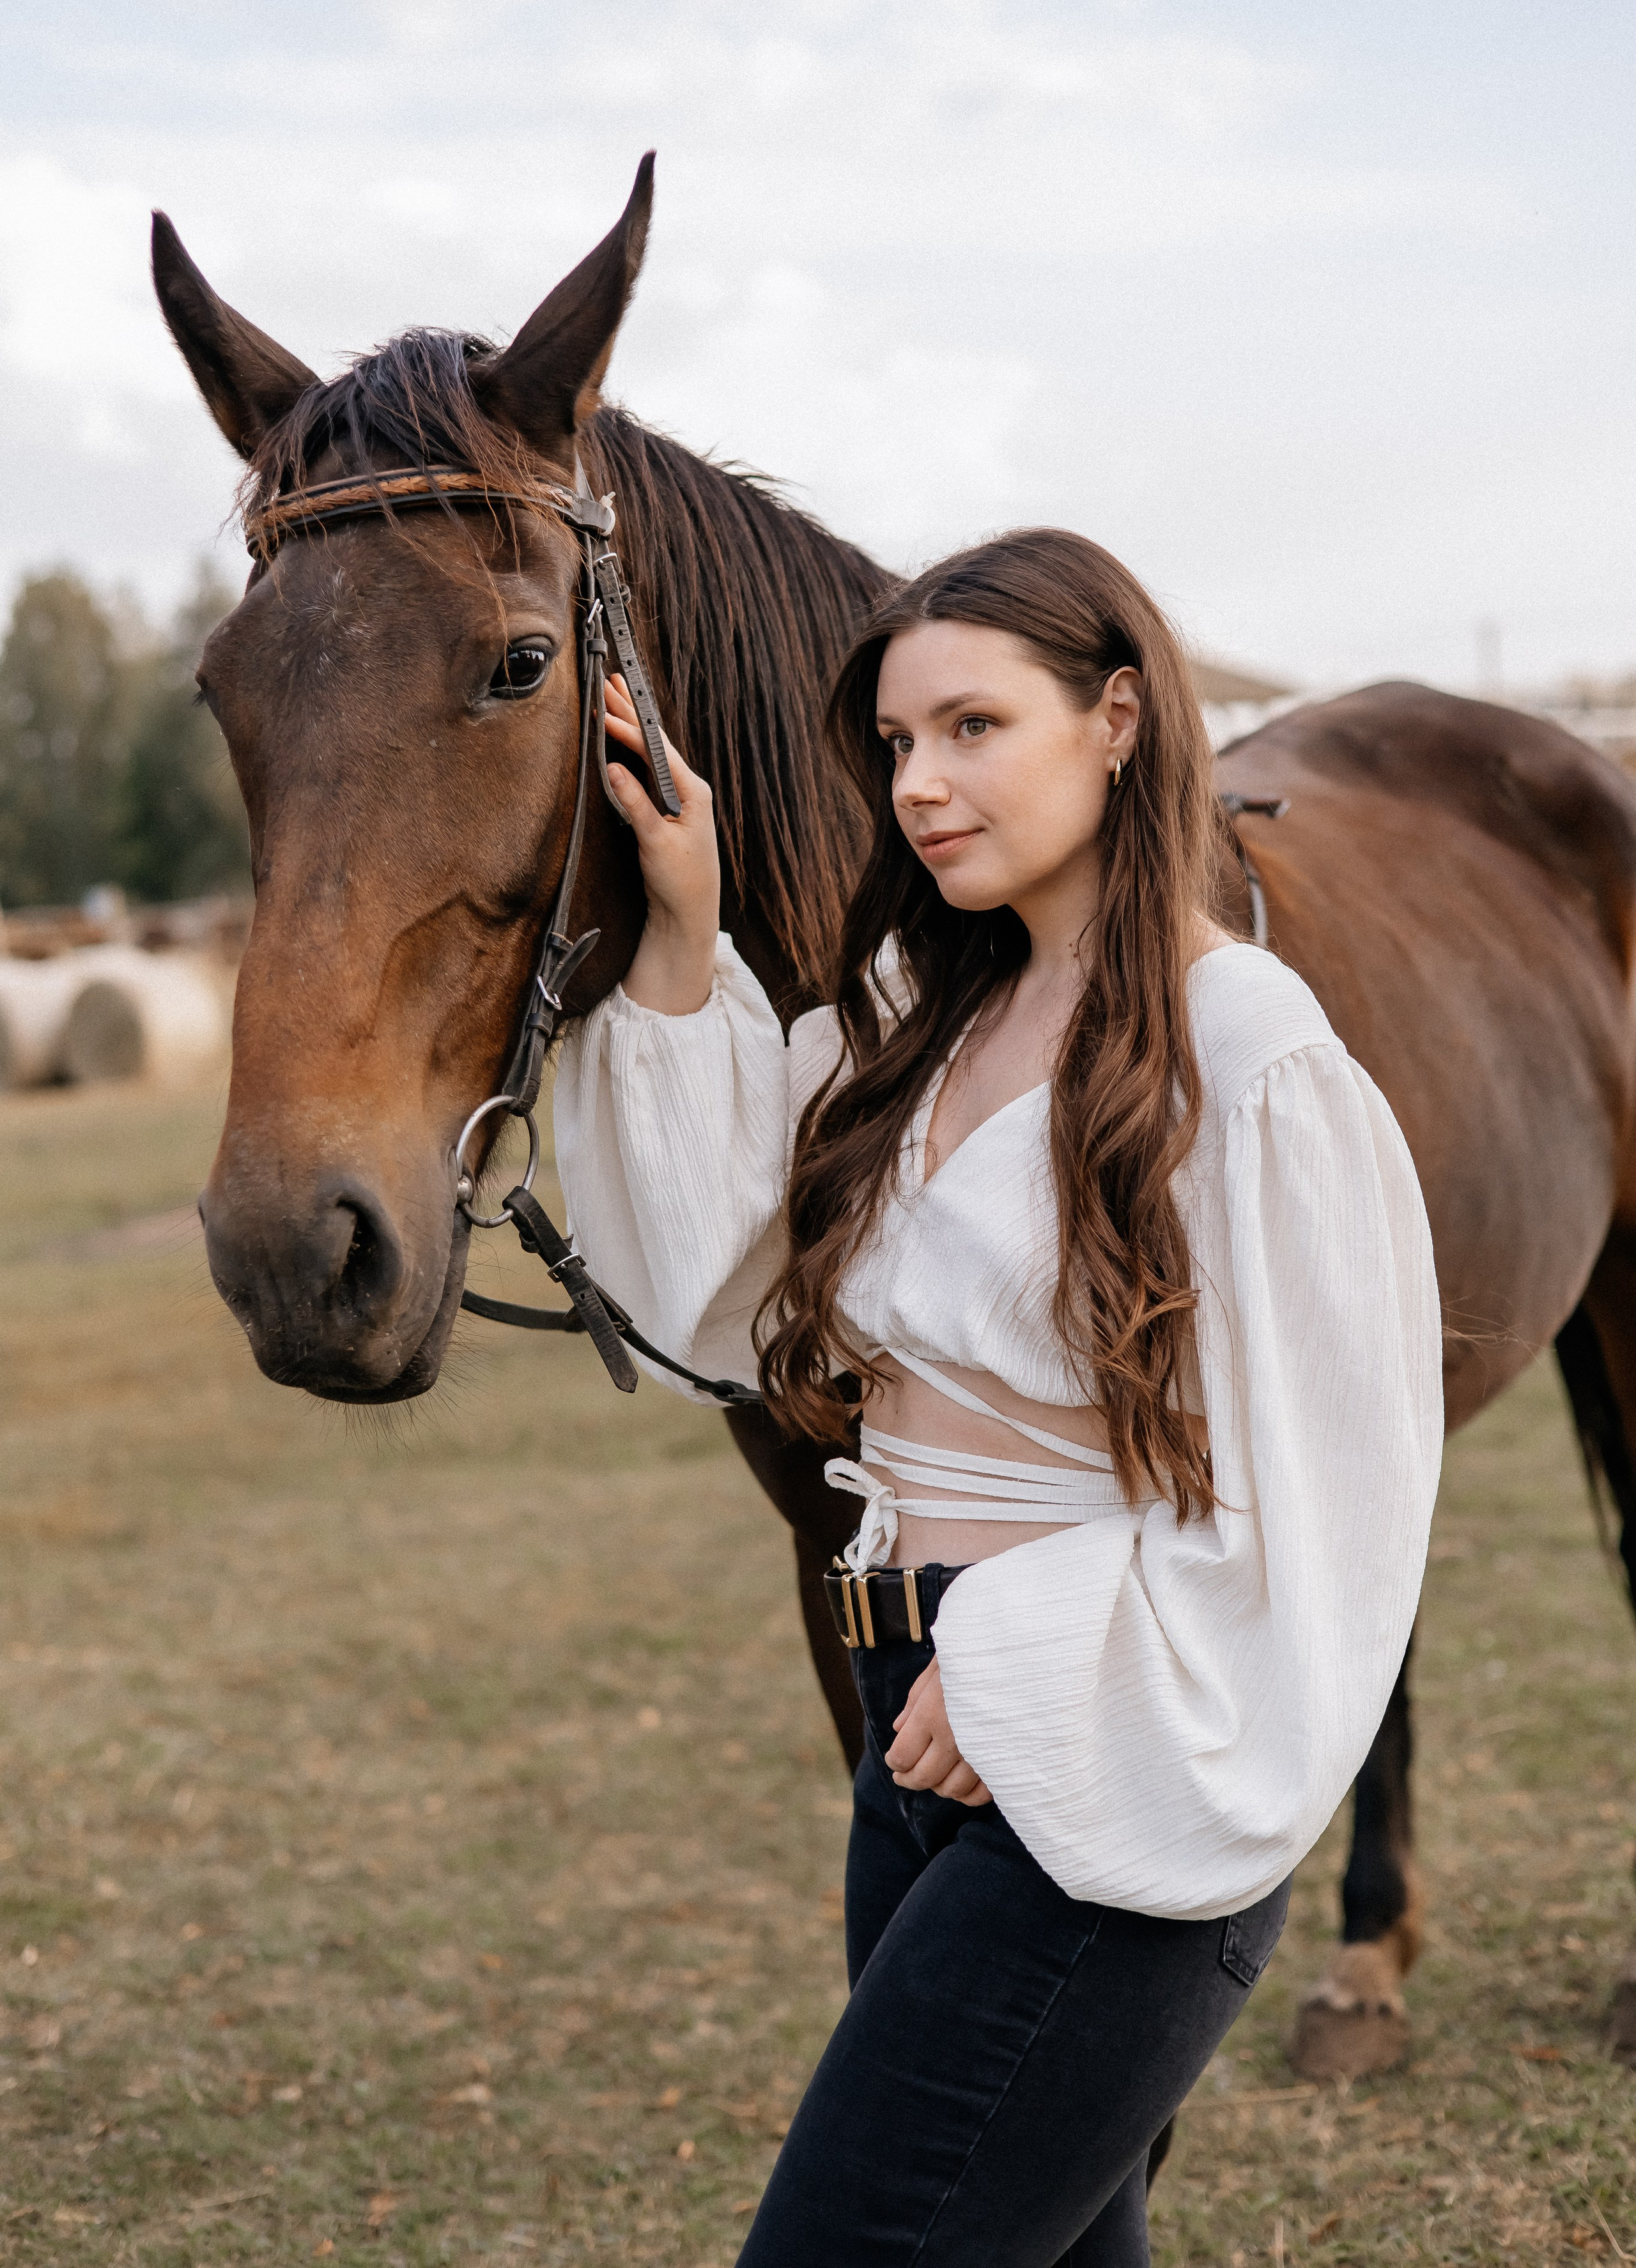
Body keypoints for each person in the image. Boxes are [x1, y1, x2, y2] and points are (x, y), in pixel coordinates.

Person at [553, 527, 1442, 2267]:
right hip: (907, 1726)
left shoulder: (1245, 1050)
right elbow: (711, 1270)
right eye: (898, 742)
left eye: (974, 727)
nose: (920, 784)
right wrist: (681, 916)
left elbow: (1330, 1498)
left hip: (1103, 1742)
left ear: (1118, 719)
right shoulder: (917, 1017)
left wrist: (1022, 1657)